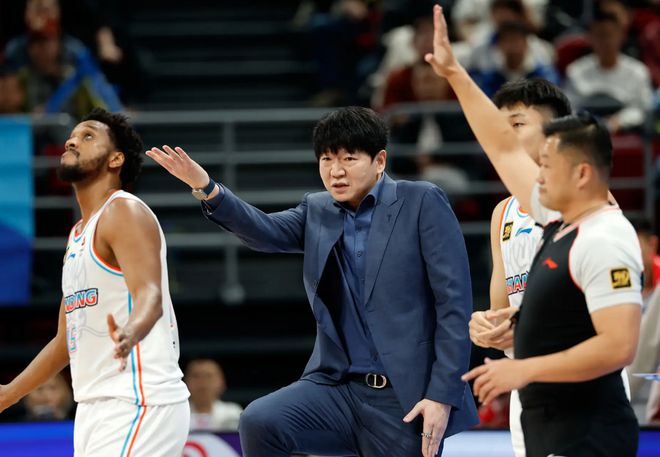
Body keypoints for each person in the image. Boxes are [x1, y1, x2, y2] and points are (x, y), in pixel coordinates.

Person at [147, 106, 478, 457]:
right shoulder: (318, 209)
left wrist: (441, 396)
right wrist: (207, 188)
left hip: (403, 398)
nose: (336, 171)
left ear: (380, 161)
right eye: (326, 159)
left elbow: (454, 304)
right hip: (336, 389)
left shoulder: (421, 200)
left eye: (349, 158)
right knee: (260, 420)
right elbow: (264, 231)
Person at [425, 5, 642, 456]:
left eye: (547, 166)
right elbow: (504, 149)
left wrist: (525, 366)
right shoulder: (544, 219)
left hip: (583, 407)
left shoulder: (601, 226)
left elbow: (619, 345)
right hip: (532, 398)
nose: (537, 178)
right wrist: (493, 327)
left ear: (578, 170)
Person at [0, 108, 190, 456]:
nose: (71, 141)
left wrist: (132, 329)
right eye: (72, 136)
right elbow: (64, 342)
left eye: (88, 136)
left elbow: (150, 294)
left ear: (116, 158)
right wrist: (8, 394)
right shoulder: (77, 235)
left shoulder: (124, 211)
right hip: (93, 407)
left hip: (139, 400)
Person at [468, 77, 571, 457]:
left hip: (577, 381)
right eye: (501, 126)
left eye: (517, 124)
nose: (504, 136)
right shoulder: (502, 213)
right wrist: (484, 328)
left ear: (555, 134)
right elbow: (501, 311)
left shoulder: (583, 201)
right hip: (524, 386)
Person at [186, 358, 243, 432]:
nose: (202, 382)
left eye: (208, 376)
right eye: (196, 376)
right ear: (185, 382)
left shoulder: (233, 413)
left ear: (222, 382)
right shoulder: (177, 414)